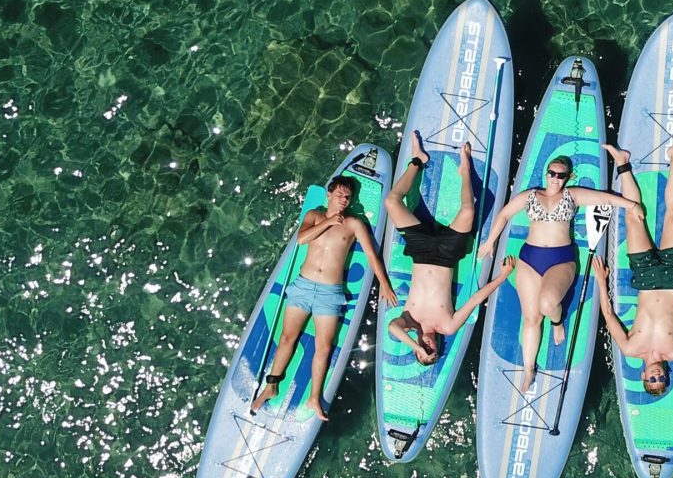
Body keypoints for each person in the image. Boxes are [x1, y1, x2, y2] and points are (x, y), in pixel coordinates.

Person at [477, 154, 644, 391]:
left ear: (569, 177)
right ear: (546, 173)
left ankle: (557, 321)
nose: (555, 178)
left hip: (561, 258)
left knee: (547, 304)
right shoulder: (531, 195)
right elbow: (504, 214)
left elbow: (604, 198)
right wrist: (489, 242)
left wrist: (632, 205)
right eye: (551, 173)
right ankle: (528, 369)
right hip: (529, 258)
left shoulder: (571, 195)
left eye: (560, 175)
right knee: (531, 318)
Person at [251, 174, 398, 421]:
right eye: (339, 195)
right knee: (288, 337)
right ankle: (271, 385)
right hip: (303, 286)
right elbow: (301, 239)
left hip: (330, 293)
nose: (343, 200)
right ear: (329, 195)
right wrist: (329, 221)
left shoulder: (354, 224)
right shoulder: (314, 216)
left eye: (347, 197)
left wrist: (384, 284)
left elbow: (372, 255)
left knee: (324, 346)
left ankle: (314, 397)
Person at [591, 134, 673, 396]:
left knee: (633, 216)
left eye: (652, 379)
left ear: (643, 375)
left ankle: (622, 162)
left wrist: (602, 282)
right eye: (661, 379)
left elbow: (609, 315)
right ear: (666, 374)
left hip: (646, 279)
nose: (656, 375)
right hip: (671, 279)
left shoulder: (630, 348)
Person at [383, 131, 515, 367]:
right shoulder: (449, 326)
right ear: (439, 345)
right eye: (431, 350)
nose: (427, 345)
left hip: (420, 252)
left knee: (392, 201)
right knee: (468, 211)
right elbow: (475, 299)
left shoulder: (409, 321)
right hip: (446, 255)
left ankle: (417, 160)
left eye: (422, 350)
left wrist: (416, 347)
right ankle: (465, 169)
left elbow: (392, 328)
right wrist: (502, 277)